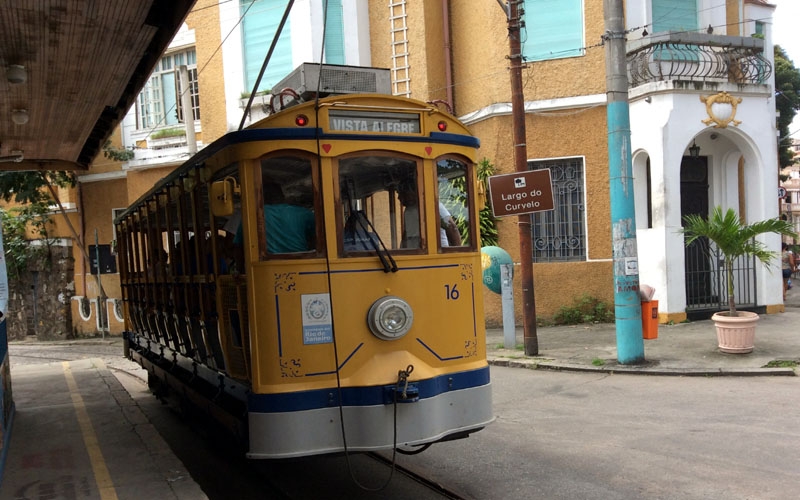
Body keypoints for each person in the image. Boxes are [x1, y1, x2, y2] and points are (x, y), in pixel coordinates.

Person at [234, 182, 315, 253]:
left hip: (266, 266)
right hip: (302, 264)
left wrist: (240, 268)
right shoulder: (303, 213)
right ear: (283, 197)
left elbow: (239, 246)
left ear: (261, 198)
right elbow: (318, 238)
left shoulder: (253, 215)